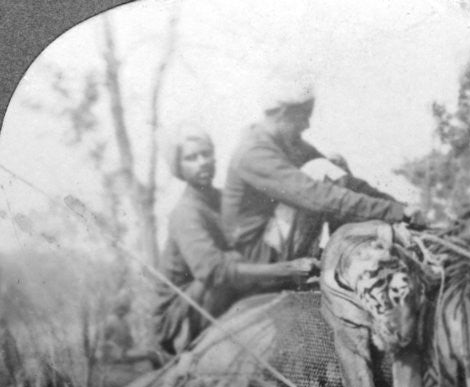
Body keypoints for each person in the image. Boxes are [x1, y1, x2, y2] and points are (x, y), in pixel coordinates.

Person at [151, 124, 316, 355]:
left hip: (218, 291)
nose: (202, 162)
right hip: (181, 316)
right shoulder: (186, 212)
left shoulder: (221, 199)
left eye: (206, 153)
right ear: (178, 167)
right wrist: (286, 270)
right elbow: (212, 271)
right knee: (228, 264)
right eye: (191, 158)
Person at [222, 79, 418, 264]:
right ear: (283, 113)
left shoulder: (289, 144)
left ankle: (348, 249)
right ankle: (346, 252)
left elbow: (346, 182)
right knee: (320, 170)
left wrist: (400, 207)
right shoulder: (253, 152)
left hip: (275, 242)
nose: (307, 125)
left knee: (333, 163)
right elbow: (316, 196)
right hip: (256, 258)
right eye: (304, 116)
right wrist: (395, 213)